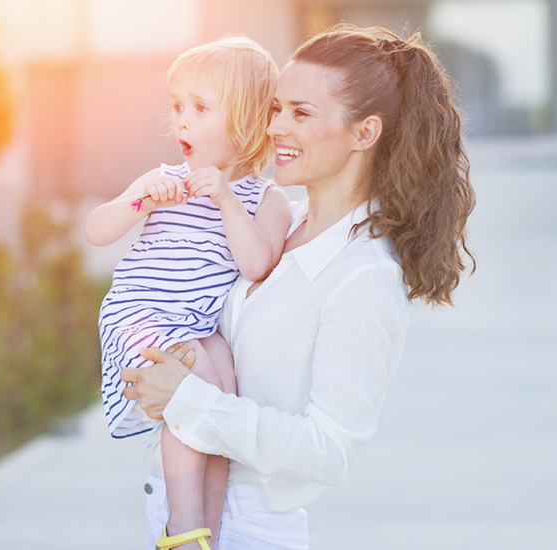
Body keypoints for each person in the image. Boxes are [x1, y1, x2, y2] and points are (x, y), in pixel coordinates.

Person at [121, 24, 476, 550]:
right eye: (276, 109)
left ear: (365, 133)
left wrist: (188, 399)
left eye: (301, 114)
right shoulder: (276, 223)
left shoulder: (364, 275)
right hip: (179, 511)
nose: (276, 128)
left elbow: (327, 450)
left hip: (246, 529)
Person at [84, 36, 291, 550]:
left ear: (245, 121)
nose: (181, 120)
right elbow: (97, 230)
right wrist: (139, 201)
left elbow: (258, 263)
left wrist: (225, 199)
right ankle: (181, 528)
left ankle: (209, 534)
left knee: (221, 407)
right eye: (177, 106)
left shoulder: (265, 198)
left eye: (200, 108)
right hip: (142, 316)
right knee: (191, 391)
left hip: (198, 326)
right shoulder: (163, 180)